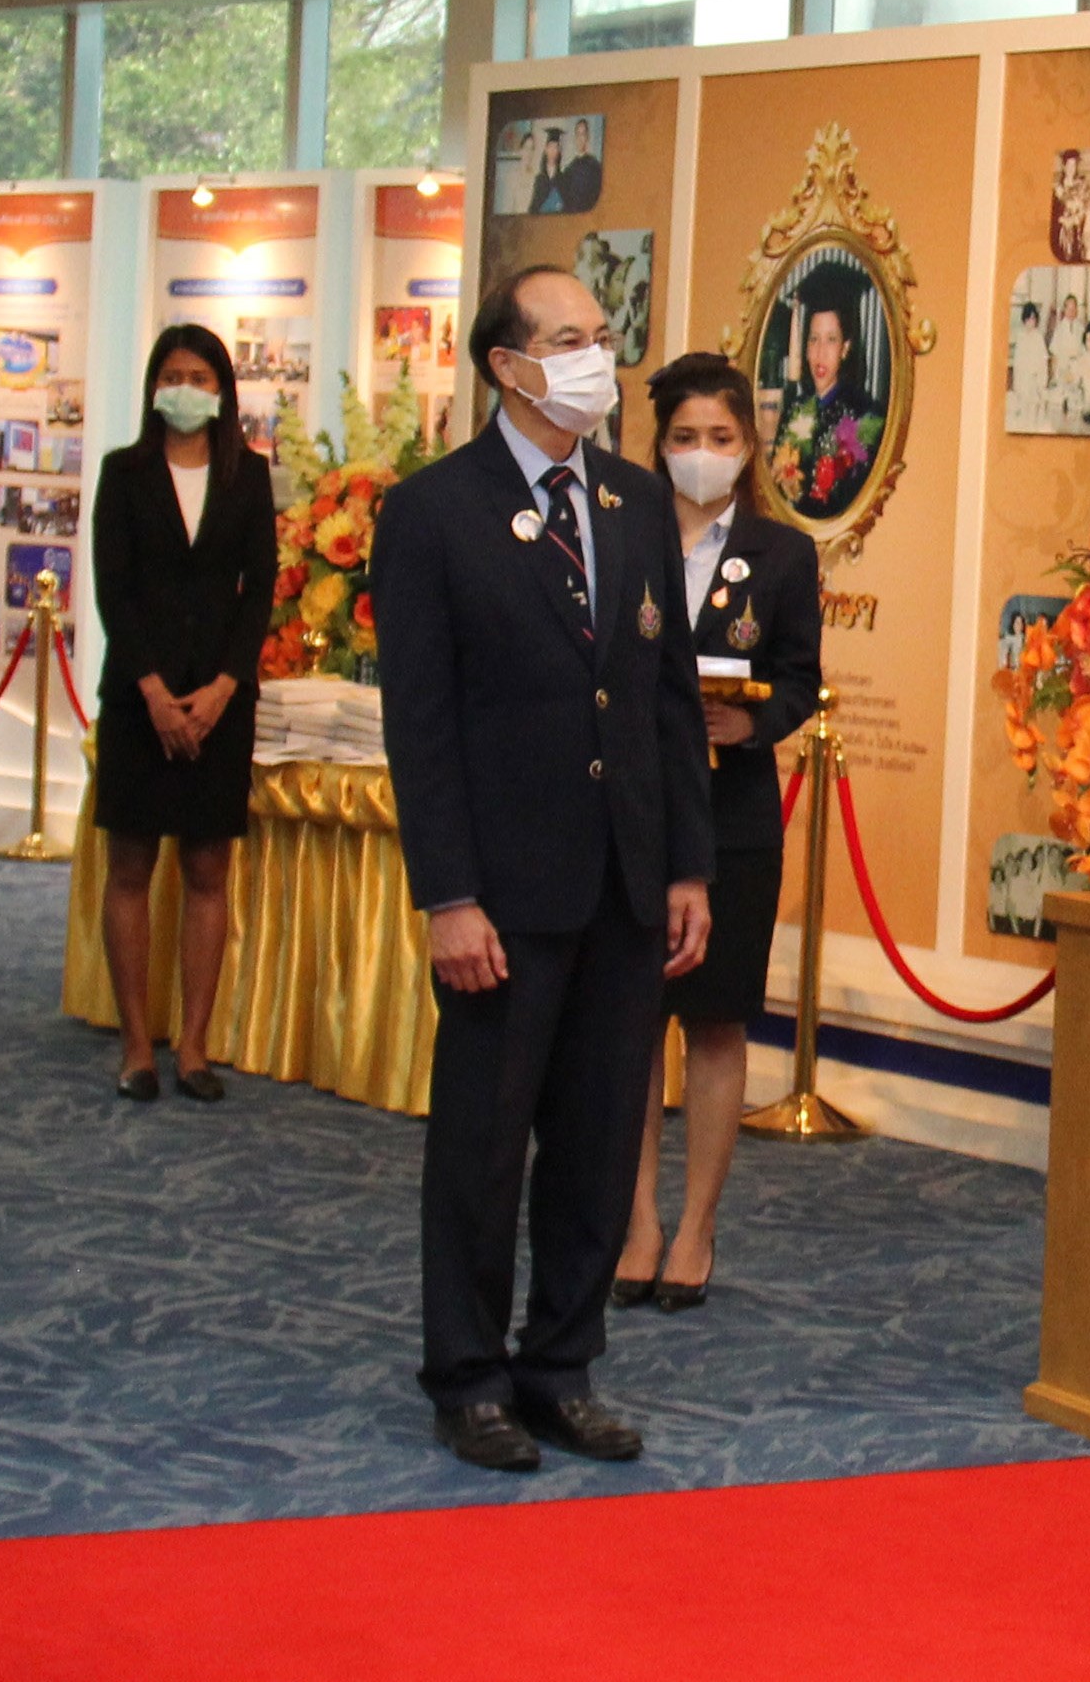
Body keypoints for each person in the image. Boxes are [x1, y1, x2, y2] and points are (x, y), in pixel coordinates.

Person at [373, 265, 710, 1473]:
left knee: (601, 1136)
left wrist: (686, 866)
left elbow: (666, 698)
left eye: (603, 335)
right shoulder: (432, 512)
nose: (596, 358)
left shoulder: (632, 499)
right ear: (507, 366)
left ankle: (560, 1364)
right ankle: (467, 1376)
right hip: (502, 891)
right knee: (483, 1142)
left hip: (624, 879)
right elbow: (419, 722)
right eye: (570, 339)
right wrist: (448, 894)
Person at [615, 352, 820, 1313]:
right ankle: (636, 1221)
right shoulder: (623, 534)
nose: (703, 453)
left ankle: (695, 1224)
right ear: (659, 445)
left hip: (732, 814)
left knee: (715, 1016)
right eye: (686, 437)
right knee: (629, 1020)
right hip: (631, 809)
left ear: (749, 446)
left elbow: (801, 678)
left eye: (722, 437)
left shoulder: (782, 555)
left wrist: (753, 720)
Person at [89, 324, 279, 1105]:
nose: (185, 388)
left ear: (223, 390)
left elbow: (260, 586)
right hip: (141, 699)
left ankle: (194, 1046)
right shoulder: (123, 471)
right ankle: (137, 1044)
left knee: (207, 871)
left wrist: (226, 685)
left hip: (219, 702)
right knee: (130, 867)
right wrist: (154, 692)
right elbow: (112, 588)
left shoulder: (249, 473)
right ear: (153, 386)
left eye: (200, 377)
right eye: (173, 374)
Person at [767, 294, 882, 521]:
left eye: (831, 339)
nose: (820, 353)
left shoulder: (863, 412)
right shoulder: (794, 409)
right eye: (813, 339)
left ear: (845, 348)